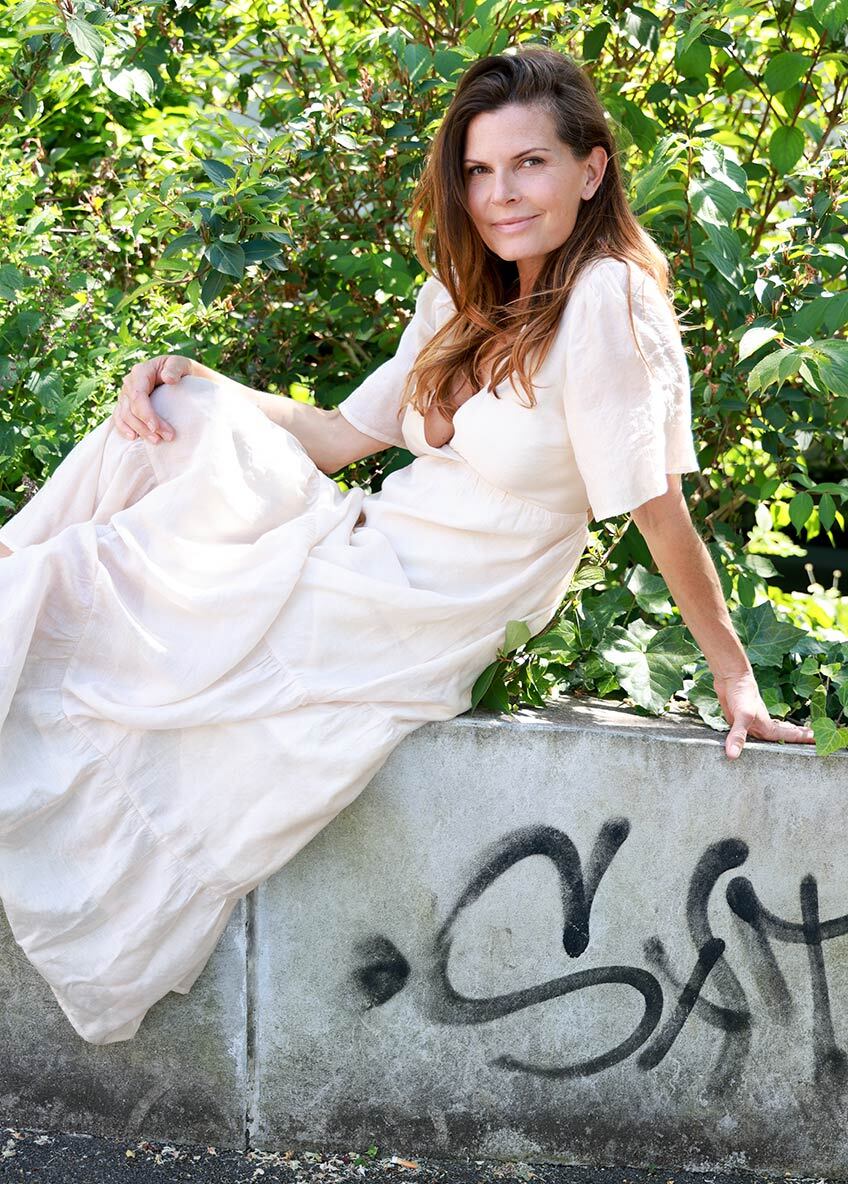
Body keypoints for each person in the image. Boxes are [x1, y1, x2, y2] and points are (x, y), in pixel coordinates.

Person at [0, 47, 814, 1046]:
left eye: (529, 163)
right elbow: (339, 437)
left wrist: (732, 672)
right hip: (366, 547)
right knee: (165, 423)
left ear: (590, 168)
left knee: (104, 584)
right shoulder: (464, 297)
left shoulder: (609, 300)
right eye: (478, 170)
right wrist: (188, 374)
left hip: (422, 610)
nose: (500, 193)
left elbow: (656, 507)